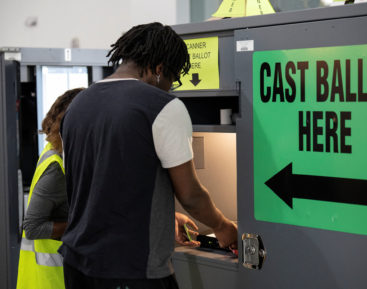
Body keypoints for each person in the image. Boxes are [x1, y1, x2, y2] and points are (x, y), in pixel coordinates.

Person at [59, 22, 238, 289]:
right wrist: (223, 227)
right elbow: (190, 195)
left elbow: (102, 184)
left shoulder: (78, 105)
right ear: (158, 69)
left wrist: (162, 216)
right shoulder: (161, 106)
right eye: (172, 79)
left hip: (77, 265)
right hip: (132, 268)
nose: (170, 88)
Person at [16, 87, 84, 289]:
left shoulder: (55, 152)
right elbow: (33, 227)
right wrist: (82, 224)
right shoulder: (56, 167)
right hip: (50, 280)